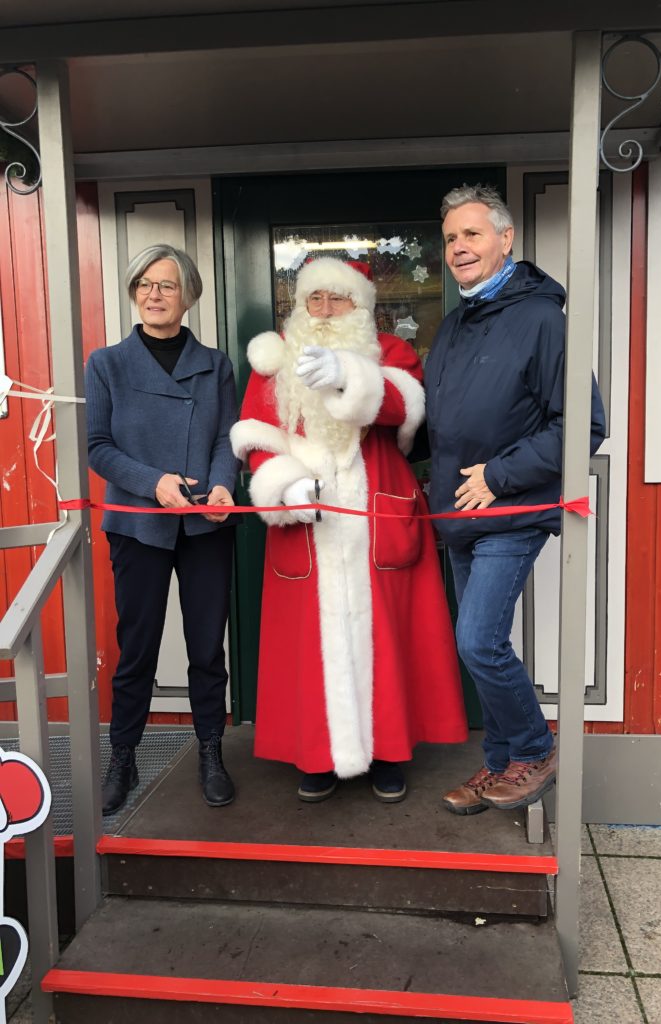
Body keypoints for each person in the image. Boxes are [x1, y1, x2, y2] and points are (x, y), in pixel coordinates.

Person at [230, 257, 467, 803]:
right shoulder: (275, 358)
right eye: (315, 298)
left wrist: (347, 375)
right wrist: (283, 484)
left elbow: (407, 409)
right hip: (304, 517)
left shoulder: (391, 351)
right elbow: (255, 433)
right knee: (307, 642)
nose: (325, 309)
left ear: (361, 305)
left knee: (389, 635)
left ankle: (388, 752)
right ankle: (316, 756)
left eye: (337, 298)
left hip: (376, 515)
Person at [424, 184, 606, 815]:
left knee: (479, 642)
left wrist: (500, 476)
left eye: (472, 234)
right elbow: (439, 423)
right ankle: (499, 764)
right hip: (458, 514)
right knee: (475, 646)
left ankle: (534, 749)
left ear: (506, 239)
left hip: (510, 510)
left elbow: (583, 424)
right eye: (451, 238)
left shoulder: (542, 319)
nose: (459, 247)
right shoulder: (454, 325)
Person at [86, 243, 240, 814]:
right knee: (137, 648)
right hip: (139, 525)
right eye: (145, 284)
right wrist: (154, 483)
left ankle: (210, 751)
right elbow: (97, 446)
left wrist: (222, 486)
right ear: (134, 292)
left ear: (188, 295)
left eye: (167, 285)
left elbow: (227, 438)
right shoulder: (106, 364)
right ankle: (123, 755)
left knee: (207, 647)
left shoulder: (215, 364)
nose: (154, 294)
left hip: (205, 525)